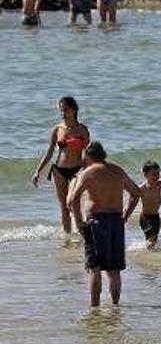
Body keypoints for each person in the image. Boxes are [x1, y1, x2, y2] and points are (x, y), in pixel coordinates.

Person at [67, 142, 141, 307]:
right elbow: (136, 193)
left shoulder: (88, 173)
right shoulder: (118, 171)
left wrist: (79, 222)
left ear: (88, 156)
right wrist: (125, 216)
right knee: (114, 270)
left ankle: (95, 308)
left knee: (95, 267)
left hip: (96, 222)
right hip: (116, 221)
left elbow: (73, 199)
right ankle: (115, 306)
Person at [31, 97, 91, 234]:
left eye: (66, 110)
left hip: (77, 170)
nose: (63, 113)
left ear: (74, 110)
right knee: (64, 207)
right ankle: (68, 237)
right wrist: (37, 172)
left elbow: (88, 153)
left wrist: (90, 171)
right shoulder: (57, 129)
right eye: (61, 110)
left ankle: (82, 234)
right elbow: (50, 152)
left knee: (73, 203)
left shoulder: (82, 130)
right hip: (59, 170)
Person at [127, 161, 161, 249]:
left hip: (156, 217)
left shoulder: (159, 184)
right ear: (145, 175)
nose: (157, 176)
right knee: (152, 238)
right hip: (145, 218)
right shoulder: (142, 188)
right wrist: (127, 214)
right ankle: (146, 252)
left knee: (153, 239)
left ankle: (148, 256)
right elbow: (133, 199)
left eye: (158, 173)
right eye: (154, 174)